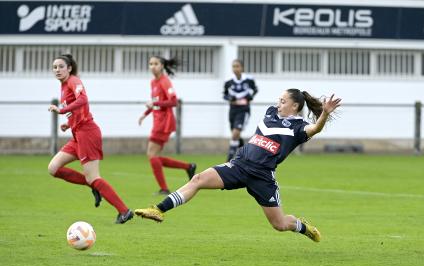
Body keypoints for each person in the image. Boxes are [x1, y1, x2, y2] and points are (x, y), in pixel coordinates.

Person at [135, 89, 342, 243]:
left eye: (283, 101)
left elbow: (315, 128)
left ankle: (302, 226)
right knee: (198, 179)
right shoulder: (271, 112)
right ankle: (158, 210)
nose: (278, 104)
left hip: (262, 177)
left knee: (279, 225)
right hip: (239, 165)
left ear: (295, 106)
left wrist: (324, 113)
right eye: (278, 100)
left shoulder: (298, 128)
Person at [47, 54, 133, 224]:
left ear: (69, 68)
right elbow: (78, 109)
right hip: (77, 134)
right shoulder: (64, 86)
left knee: (93, 177)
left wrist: (62, 111)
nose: (57, 70)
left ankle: (124, 211)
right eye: (54, 67)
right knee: (53, 168)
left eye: (61, 66)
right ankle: (94, 187)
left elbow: (83, 99)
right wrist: (68, 123)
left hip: (87, 133)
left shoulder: (73, 80)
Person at [138, 56, 196, 195]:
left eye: (156, 64)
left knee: (152, 155)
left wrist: (155, 104)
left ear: (162, 66)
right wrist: (145, 114)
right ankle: (188, 167)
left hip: (164, 123)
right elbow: (155, 102)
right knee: (154, 156)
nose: (153, 66)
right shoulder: (153, 82)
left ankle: (164, 189)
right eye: (150, 64)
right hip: (158, 121)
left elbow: (173, 101)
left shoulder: (165, 81)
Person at [223, 59, 258, 161]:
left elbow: (255, 90)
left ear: (242, 68)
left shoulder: (248, 80)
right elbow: (224, 95)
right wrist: (230, 98)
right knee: (235, 134)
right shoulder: (228, 81)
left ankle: (229, 159)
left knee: (235, 133)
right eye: (233, 66)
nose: (235, 69)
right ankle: (243, 152)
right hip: (233, 109)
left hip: (243, 109)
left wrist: (249, 97)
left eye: (237, 66)